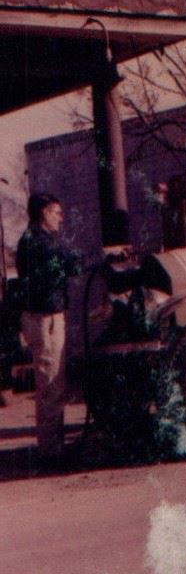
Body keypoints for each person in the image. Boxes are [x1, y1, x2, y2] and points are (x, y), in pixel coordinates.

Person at [16, 193, 81, 464]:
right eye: (56, 212)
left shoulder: (29, 240)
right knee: (51, 383)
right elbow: (71, 265)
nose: (60, 217)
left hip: (42, 315)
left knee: (52, 382)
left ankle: (52, 446)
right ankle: (51, 452)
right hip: (46, 318)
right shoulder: (43, 243)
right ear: (43, 213)